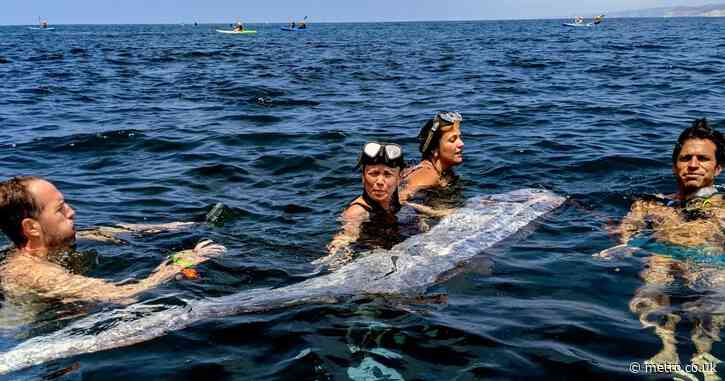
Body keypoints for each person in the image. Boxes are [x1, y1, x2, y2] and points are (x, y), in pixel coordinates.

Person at [603, 118, 724, 379]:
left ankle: (704, 354)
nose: (693, 165)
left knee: (716, 293)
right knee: (652, 284)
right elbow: (628, 229)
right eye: (685, 158)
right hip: (662, 257)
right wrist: (622, 242)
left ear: (719, 167)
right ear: (674, 166)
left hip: (711, 260)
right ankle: (666, 349)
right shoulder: (650, 204)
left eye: (702, 159)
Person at [0, 176, 225, 305]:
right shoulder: (33, 273)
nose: (72, 212)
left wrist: (171, 227)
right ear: (32, 228)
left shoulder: (43, 248)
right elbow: (123, 295)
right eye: (60, 209)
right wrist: (179, 264)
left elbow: (106, 232)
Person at [315, 142, 406, 269]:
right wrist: (334, 259)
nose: (380, 181)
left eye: (387, 174)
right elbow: (345, 238)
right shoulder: (357, 212)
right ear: (363, 177)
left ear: (399, 178)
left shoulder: (396, 205)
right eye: (373, 174)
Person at [399, 111, 464, 203]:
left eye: (459, 138)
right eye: (452, 140)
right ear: (434, 149)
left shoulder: (443, 172)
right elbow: (399, 201)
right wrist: (437, 213)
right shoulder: (427, 175)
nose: (461, 144)